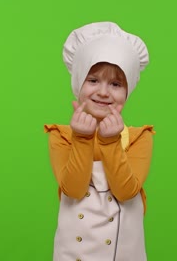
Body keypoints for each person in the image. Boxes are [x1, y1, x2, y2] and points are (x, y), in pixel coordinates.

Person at [44, 21, 154, 261]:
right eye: (93, 80)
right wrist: (82, 138)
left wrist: (110, 142)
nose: (104, 92)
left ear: (127, 91)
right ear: (78, 84)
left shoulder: (138, 138)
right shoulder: (61, 135)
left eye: (115, 84)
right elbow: (73, 190)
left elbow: (125, 193)